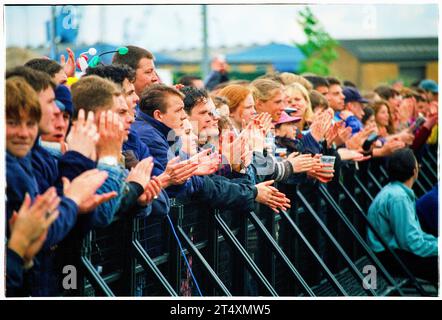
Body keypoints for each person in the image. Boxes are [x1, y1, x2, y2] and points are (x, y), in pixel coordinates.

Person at [367, 148, 438, 286]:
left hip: (394, 254)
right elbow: (413, 243)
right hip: (391, 260)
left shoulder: (395, 191)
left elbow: (416, 236)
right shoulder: (398, 198)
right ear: (414, 171)